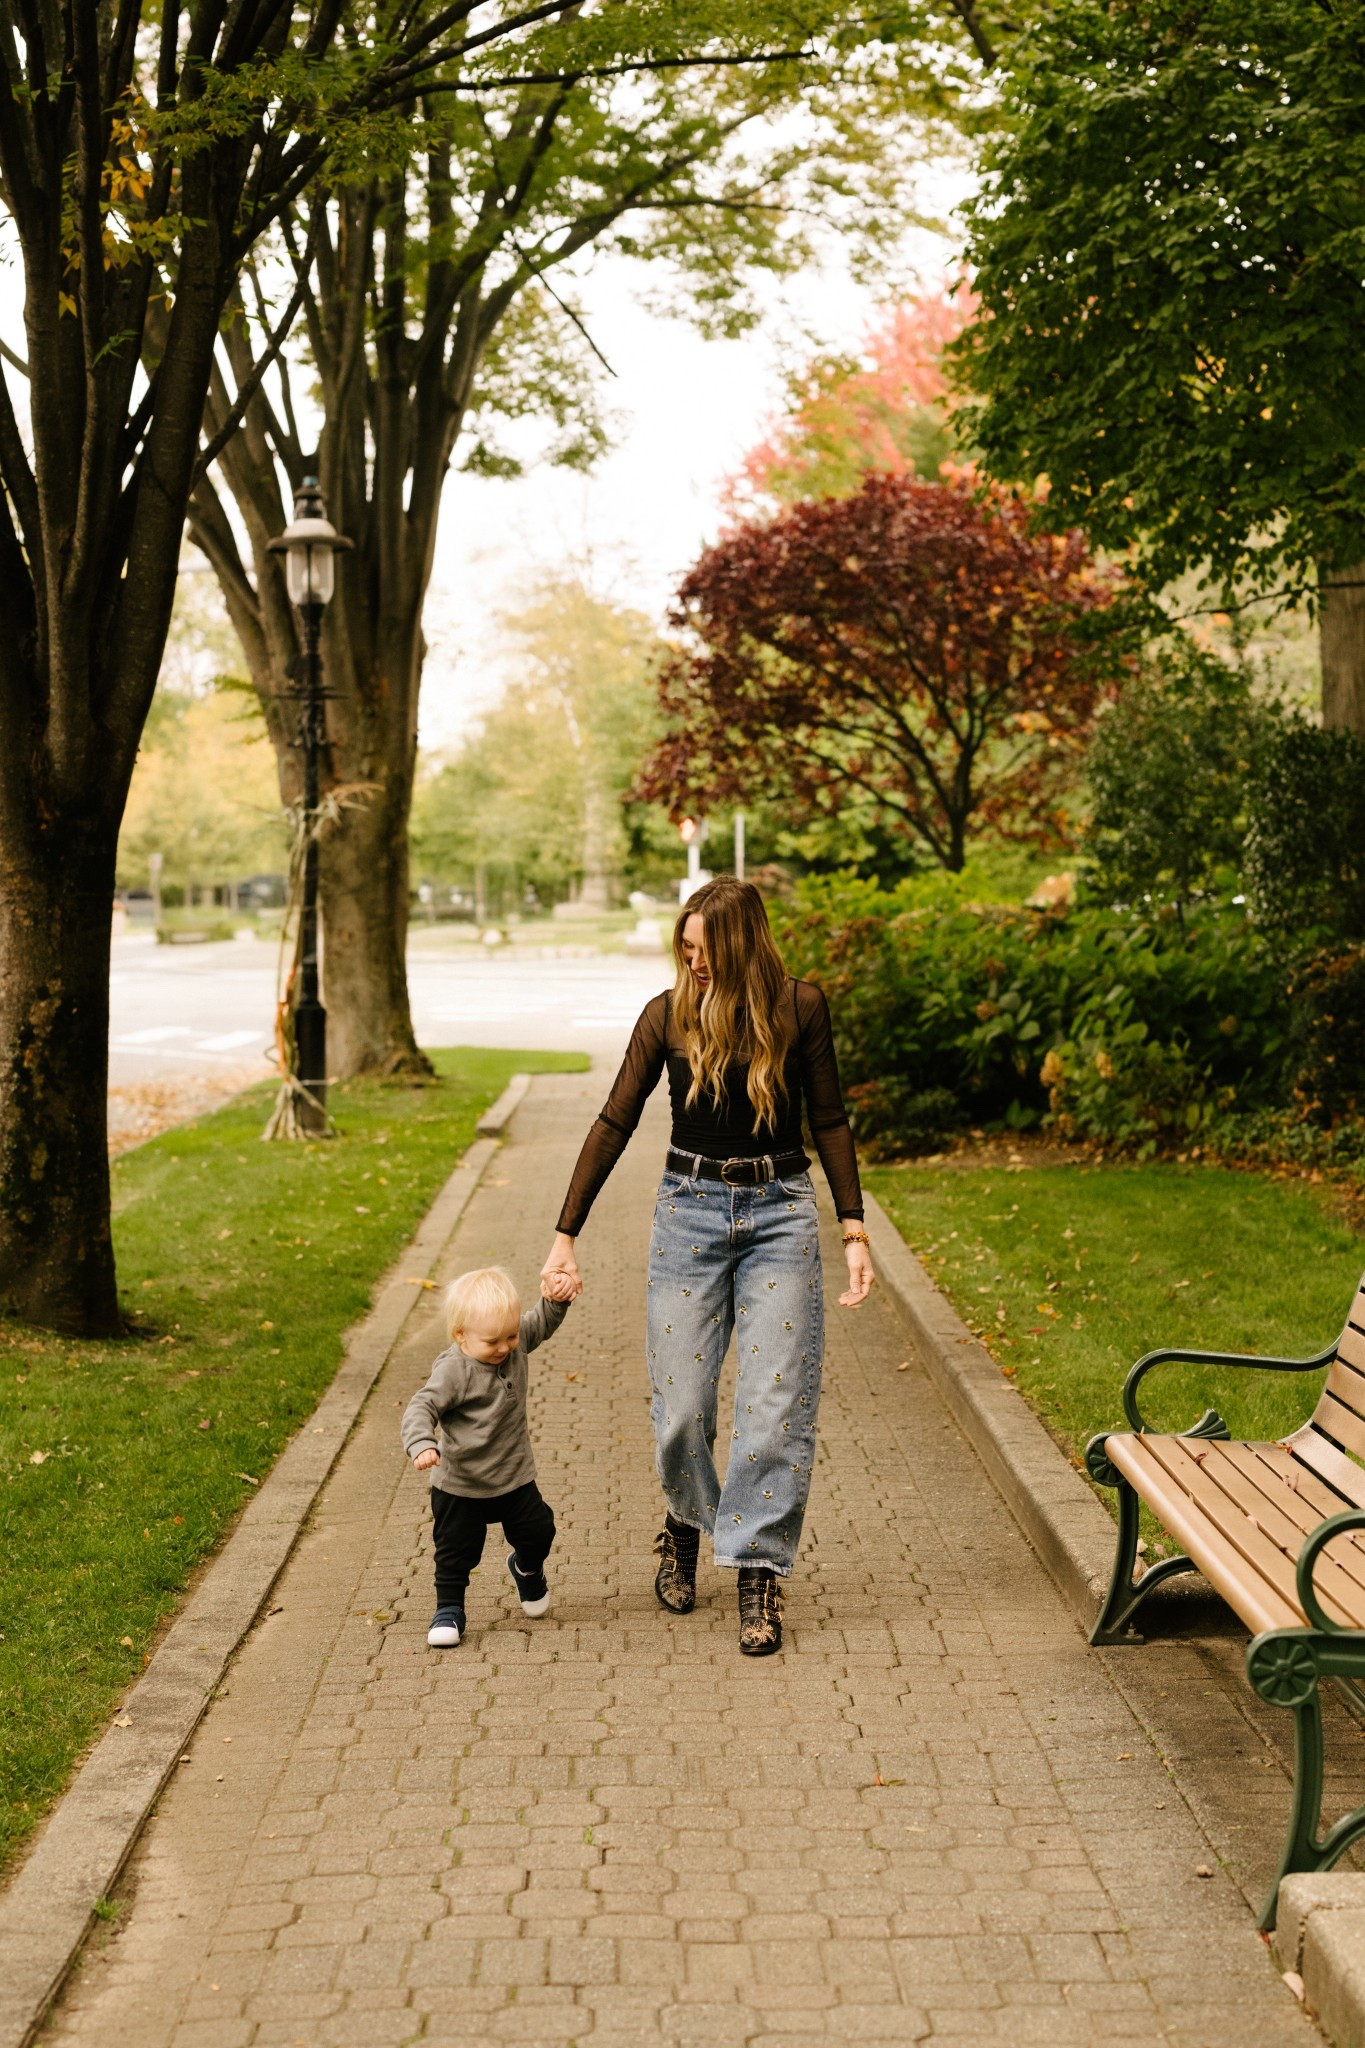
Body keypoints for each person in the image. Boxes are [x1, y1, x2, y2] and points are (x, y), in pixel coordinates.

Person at [541, 876, 873, 1657]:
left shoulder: (800, 1007)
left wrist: (852, 1229)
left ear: (741, 945)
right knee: (683, 1404)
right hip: (687, 1211)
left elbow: (827, 1119)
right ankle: (686, 1521)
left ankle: (757, 1569)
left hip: (780, 1213)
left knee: (774, 1401)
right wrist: (565, 1233)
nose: (692, 963)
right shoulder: (665, 1016)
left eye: (705, 949)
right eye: (683, 948)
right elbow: (613, 1120)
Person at [401, 1264, 573, 1648]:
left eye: (511, 1337)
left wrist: (556, 1298)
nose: (505, 1348)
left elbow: (541, 1321)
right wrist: (422, 1444)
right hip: (460, 1484)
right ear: (461, 1335)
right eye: (492, 1341)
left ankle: (527, 1569)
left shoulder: (512, 1341)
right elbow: (420, 1407)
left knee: (538, 1531)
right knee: (455, 1551)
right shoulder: (453, 1370)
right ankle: (449, 1608)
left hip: (513, 1476)